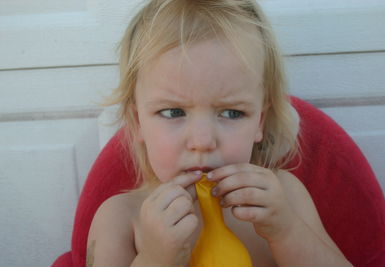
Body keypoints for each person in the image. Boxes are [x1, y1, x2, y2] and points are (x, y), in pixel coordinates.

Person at [87, 0, 353, 266]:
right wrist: (154, 259)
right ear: (137, 123)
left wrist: (288, 232)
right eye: (173, 112)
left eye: (232, 113)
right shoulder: (121, 218)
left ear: (259, 122)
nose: (203, 142)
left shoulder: (284, 197)